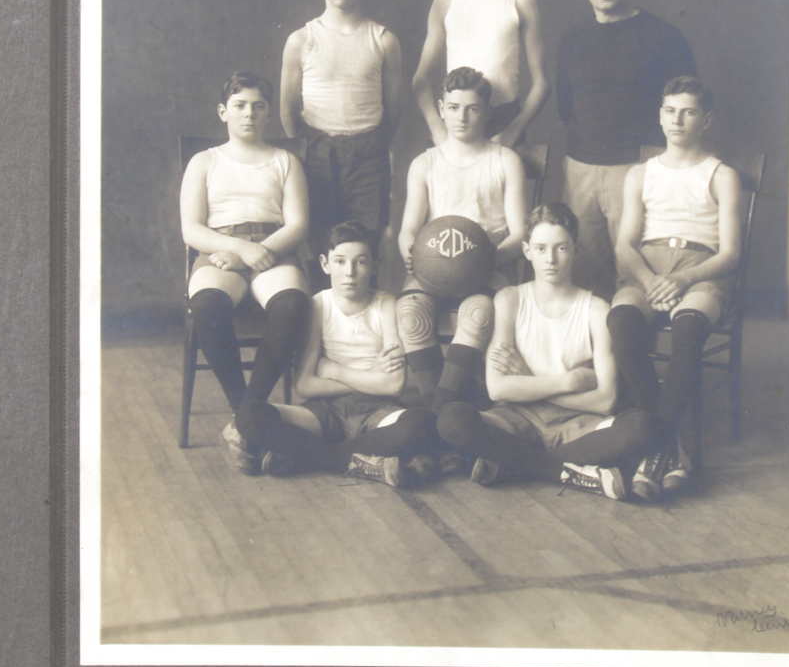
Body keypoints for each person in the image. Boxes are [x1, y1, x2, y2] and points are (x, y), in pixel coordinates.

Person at [435, 203, 659, 500]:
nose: (550, 259)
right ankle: (567, 472)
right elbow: (498, 388)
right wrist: (570, 381)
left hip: (576, 422)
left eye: (561, 248)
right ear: (527, 250)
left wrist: (528, 380)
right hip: (517, 419)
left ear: (576, 249)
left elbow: (606, 401)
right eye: (541, 249)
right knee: (452, 419)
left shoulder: (596, 309)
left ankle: (514, 465)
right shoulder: (510, 299)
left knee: (640, 426)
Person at [606, 77, 744, 500]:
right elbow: (625, 245)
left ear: (707, 120)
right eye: (669, 111)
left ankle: (654, 447)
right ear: (660, 115)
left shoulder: (722, 175)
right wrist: (650, 280)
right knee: (621, 321)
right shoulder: (640, 174)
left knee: (688, 327)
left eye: (688, 112)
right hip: (648, 266)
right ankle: (668, 445)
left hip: (702, 269)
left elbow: (731, 253)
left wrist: (683, 279)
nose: (677, 120)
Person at [179, 71, 313, 475]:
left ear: (269, 113)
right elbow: (191, 229)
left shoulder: (285, 161)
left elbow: (298, 225)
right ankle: (245, 411)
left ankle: (247, 417)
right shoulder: (205, 161)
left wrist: (258, 252)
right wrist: (239, 251)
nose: (249, 114)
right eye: (239, 106)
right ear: (223, 112)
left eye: (258, 106)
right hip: (220, 250)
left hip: (274, 249)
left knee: (292, 304)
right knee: (206, 305)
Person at [241, 221, 438, 488]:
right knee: (249, 415)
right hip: (326, 410)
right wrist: (371, 376)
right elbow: (304, 385)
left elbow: (393, 386)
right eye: (340, 261)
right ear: (325, 264)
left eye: (360, 262)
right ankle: (361, 461)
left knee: (420, 423)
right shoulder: (318, 304)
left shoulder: (386, 304)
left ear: (374, 266)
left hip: (377, 409)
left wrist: (334, 370)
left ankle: (311, 457)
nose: (350, 272)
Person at [555, 0, 697, 296]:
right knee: (585, 275)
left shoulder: (664, 37)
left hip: (638, 166)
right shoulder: (572, 39)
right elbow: (565, 104)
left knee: (636, 277)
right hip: (581, 169)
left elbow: (685, 105)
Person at [396, 67, 528, 411]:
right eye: (454, 108)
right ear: (441, 109)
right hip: (434, 261)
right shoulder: (424, 163)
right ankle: (449, 410)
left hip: (489, 262)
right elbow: (409, 229)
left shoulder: (505, 160)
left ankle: (440, 412)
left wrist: (488, 259)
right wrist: (410, 252)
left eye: (472, 109)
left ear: (487, 113)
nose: (462, 117)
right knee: (409, 314)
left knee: (478, 314)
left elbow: (520, 234)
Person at [280, 0, 405, 273]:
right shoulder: (301, 40)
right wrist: (307, 149)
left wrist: (369, 144)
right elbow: (288, 110)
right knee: (318, 247)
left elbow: (394, 109)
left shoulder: (383, 39)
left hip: (368, 156)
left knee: (365, 252)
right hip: (315, 152)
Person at [411, 0, 550, 146]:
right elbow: (420, 79)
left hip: (504, 121)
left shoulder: (520, 0)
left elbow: (542, 83)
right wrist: (437, 129)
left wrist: (512, 132)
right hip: (457, 120)